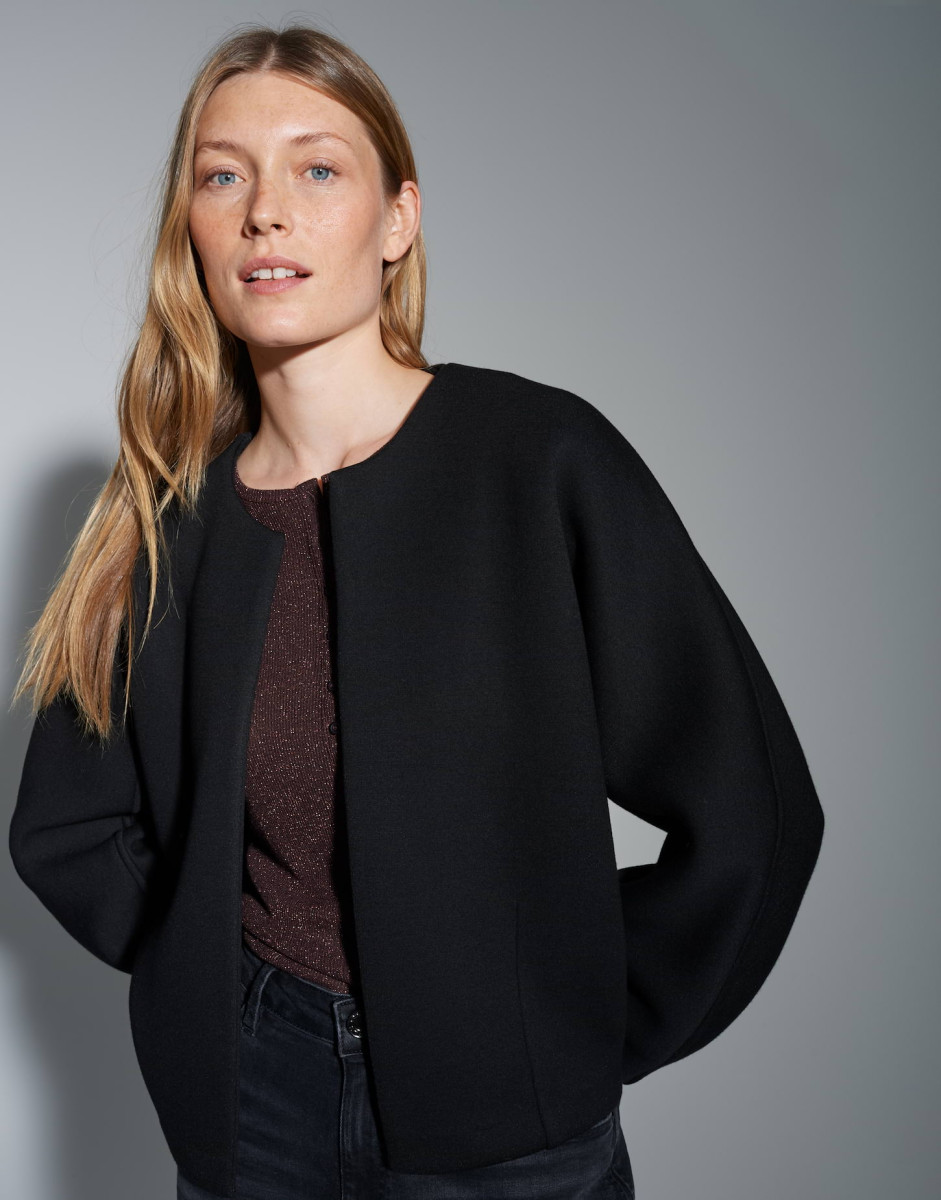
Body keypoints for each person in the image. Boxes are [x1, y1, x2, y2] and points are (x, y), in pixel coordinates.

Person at [7, 20, 825, 1200]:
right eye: (223, 176)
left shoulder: (535, 457)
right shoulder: (166, 517)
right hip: (250, 1121)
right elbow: (68, 827)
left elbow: (750, 808)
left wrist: (567, 1021)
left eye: (317, 169)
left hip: (506, 1132)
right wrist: (210, 989)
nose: (265, 212)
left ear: (397, 219)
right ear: (191, 227)